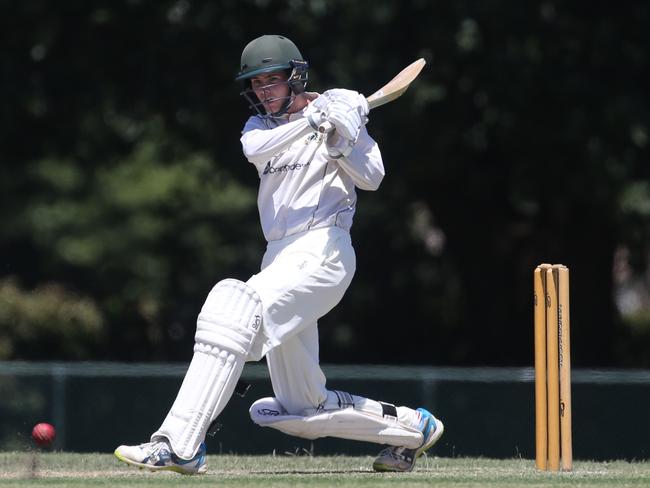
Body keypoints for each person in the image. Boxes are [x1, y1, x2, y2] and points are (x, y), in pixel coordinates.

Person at [114, 34, 443, 474]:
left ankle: (178, 444)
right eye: (257, 83)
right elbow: (257, 150)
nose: (264, 91)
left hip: (324, 250)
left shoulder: (340, 112)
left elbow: (373, 177)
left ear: (296, 77)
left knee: (229, 309)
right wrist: (313, 123)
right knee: (299, 409)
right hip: (280, 256)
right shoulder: (259, 129)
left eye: (273, 81)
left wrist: (343, 133)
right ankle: (412, 429)